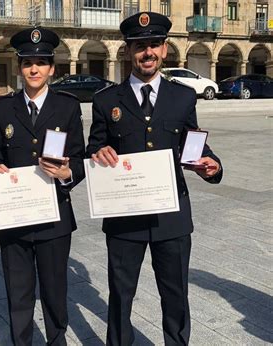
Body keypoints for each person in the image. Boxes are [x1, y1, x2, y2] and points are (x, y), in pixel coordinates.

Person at [86, 12, 223, 346]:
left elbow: (195, 144)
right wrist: (98, 154)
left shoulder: (183, 97)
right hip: (124, 218)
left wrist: (212, 165)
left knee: (175, 296)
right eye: (139, 46)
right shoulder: (106, 101)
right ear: (128, 50)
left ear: (164, 49)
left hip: (171, 217)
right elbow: (93, 147)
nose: (146, 52)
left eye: (153, 45)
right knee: (120, 295)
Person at [0, 27, 85, 345]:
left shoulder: (68, 107)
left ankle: (57, 340)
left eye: (42, 62)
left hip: (55, 217)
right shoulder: (3, 108)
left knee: (55, 293)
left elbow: (81, 159)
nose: (34, 68)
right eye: (28, 62)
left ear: (52, 68)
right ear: (19, 67)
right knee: (18, 295)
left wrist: (67, 174)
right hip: (14, 218)